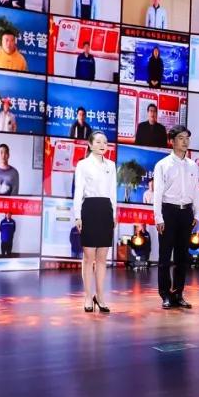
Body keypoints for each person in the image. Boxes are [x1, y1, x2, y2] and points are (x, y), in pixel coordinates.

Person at [152, 125, 199, 309]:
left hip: (186, 212)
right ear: (172, 141)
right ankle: (165, 295)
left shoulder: (192, 165)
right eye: (181, 138)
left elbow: (196, 190)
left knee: (182, 257)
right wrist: (158, 217)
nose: (185, 141)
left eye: (187, 138)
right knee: (165, 257)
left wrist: (197, 212)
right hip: (168, 212)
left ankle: (178, 293)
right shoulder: (162, 165)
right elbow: (157, 193)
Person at [72, 130, 116, 312]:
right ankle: (88, 297)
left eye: (104, 142)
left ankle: (100, 296)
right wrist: (77, 215)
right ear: (90, 144)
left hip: (106, 210)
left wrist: (114, 214)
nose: (102, 145)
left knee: (102, 258)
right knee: (89, 257)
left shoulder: (111, 165)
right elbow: (78, 191)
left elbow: (112, 192)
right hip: (89, 209)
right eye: (98, 142)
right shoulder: (83, 165)